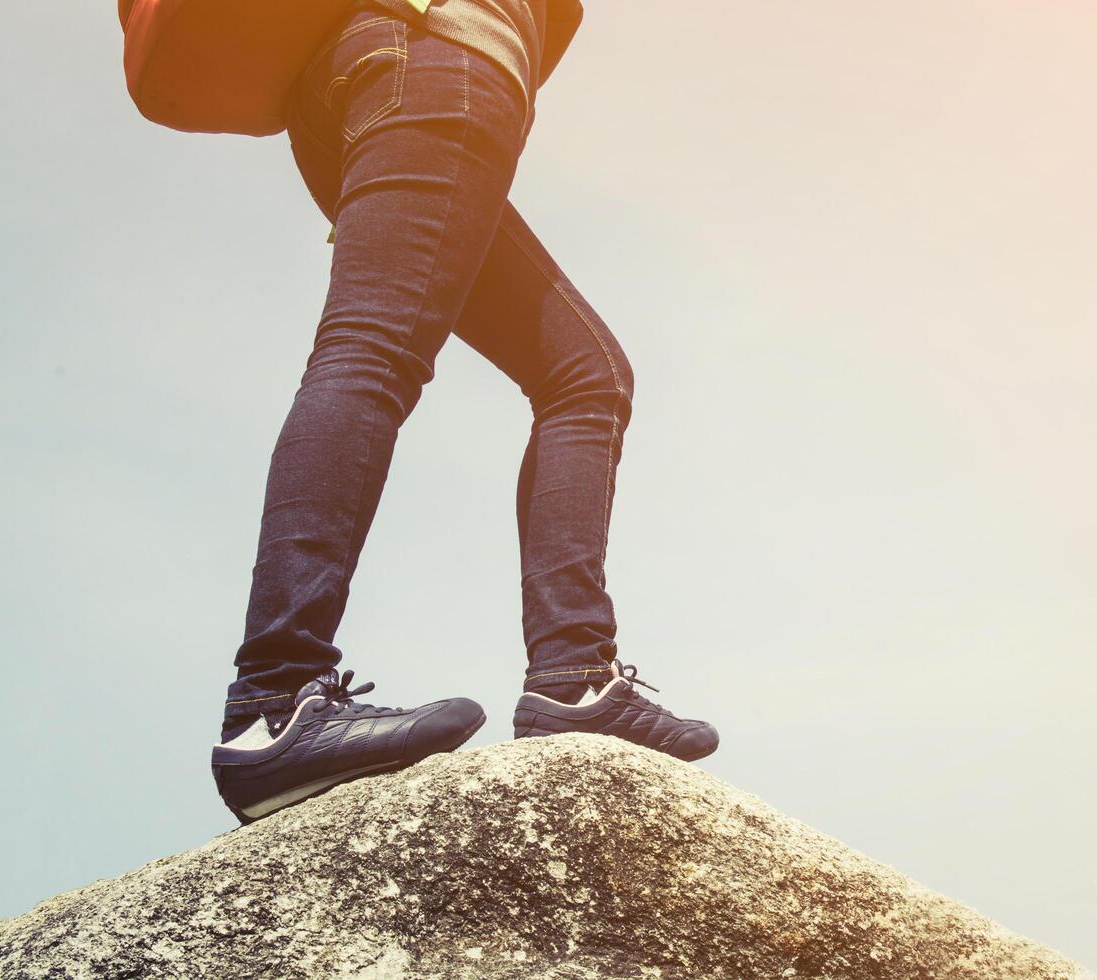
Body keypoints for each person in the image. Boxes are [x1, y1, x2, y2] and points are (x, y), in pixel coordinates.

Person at [210, 0, 718, 825]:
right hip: (433, 54)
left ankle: (573, 681)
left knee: (586, 374)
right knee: (370, 349)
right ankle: (273, 703)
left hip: (371, 71)